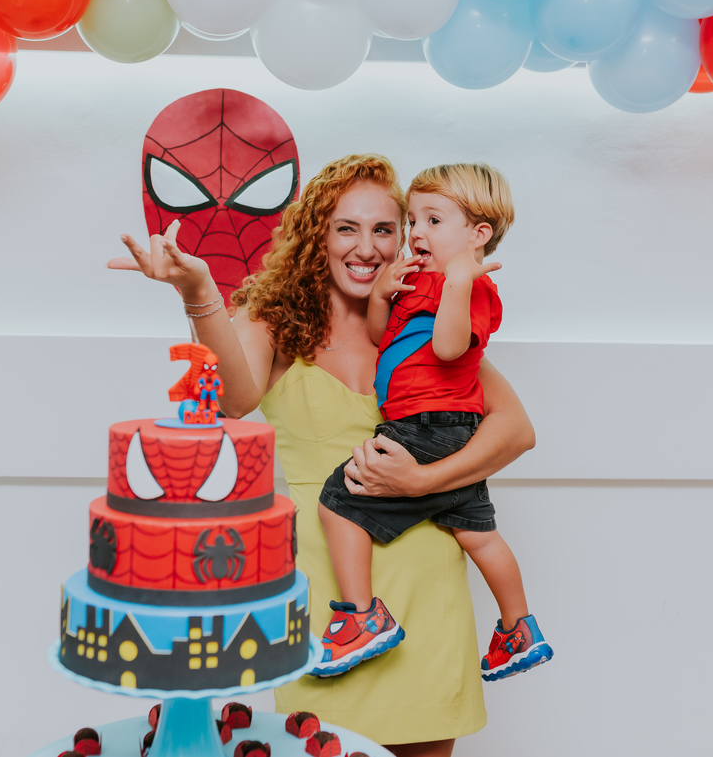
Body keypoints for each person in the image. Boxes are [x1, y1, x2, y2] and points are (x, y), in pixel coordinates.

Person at [110, 154, 535, 757]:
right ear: (319, 235)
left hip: (428, 590)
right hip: (333, 609)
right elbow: (234, 399)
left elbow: (516, 429)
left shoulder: (419, 318)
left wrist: (423, 481)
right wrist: (197, 289)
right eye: (347, 228)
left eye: (384, 229)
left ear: (405, 238)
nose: (367, 247)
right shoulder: (278, 322)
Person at [314, 164, 552, 683]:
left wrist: (460, 283)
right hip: (449, 430)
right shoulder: (417, 282)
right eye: (413, 219)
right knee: (478, 535)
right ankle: (519, 628)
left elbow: (447, 347)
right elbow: (384, 337)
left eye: (433, 220)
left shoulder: (474, 291)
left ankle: (361, 618)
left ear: (478, 235)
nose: (416, 232)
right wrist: (382, 293)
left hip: (427, 426)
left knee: (338, 501)